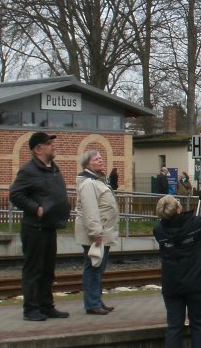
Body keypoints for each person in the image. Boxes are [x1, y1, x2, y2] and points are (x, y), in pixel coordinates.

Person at [9, 132, 71, 321]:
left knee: (47, 270)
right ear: (38, 149)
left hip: (49, 226)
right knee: (34, 270)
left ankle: (46, 306)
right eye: (49, 143)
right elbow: (15, 194)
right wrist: (36, 209)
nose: (53, 145)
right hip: (34, 227)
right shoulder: (29, 170)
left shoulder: (53, 168)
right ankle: (31, 309)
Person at [154, 191, 201, 348]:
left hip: (172, 284)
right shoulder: (195, 225)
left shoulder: (159, 231)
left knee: (174, 326)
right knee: (199, 324)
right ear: (179, 209)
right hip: (196, 283)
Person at [74, 150, 119, 315]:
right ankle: (92, 303)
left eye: (101, 158)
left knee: (97, 268)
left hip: (103, 232)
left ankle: (96, 300)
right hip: (96, 235)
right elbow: (90, 210)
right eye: (96, 159)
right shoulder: (88, 183)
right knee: (93, 267)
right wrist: (95, 233)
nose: (101, 160)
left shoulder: (97, 180)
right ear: (87, 164)